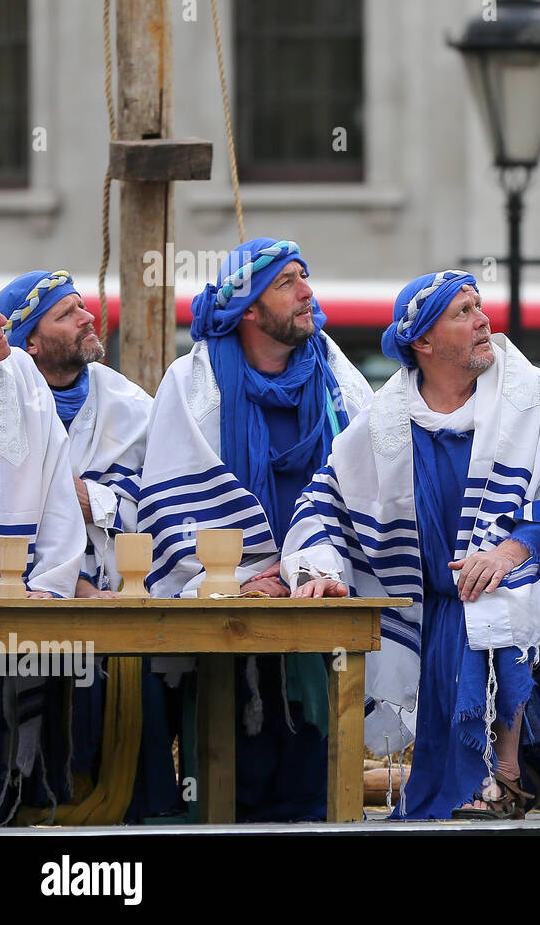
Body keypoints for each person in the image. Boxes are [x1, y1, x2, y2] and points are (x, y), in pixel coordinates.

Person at [283, 270, 540, 820]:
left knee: (494, 594)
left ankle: (501, 777)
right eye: (463, 312)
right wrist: (315, 569)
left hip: (531, 579)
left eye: (480, 306)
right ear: (423, 343)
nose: (483, 321)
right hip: (433, 597)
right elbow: (324, 501)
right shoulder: (385, 420)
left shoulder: (535, 400)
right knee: (467, 618)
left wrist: (507, 554)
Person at [136, 238, 372, 821]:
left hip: (322, 595)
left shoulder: (338, 379)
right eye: (288, 282)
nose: (308, 293)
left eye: (305, 277)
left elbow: (369, 483)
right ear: (246, 307)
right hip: (227, 611)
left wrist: (309, 566)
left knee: (313, 795)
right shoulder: (191, 383)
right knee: (226, 794)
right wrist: (237, 576)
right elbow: (171, 496)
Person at [0, 269, 179, 823]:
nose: (88, 316)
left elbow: (168, 497)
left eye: (82, 305)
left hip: (106, 602)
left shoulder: (131, 405)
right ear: (32, 341)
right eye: (67, 313)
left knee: (133, 709)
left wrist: (95, 502)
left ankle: (134, 824)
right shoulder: (19, 391)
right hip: (35, 601)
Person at [0, 273, 87, 824]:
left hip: (22, 599)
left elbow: (57, 491)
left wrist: (46, 585)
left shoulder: (21, 375)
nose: (0, 319)